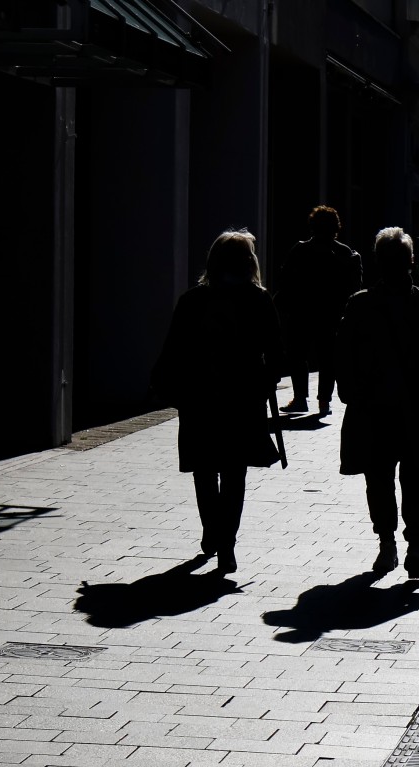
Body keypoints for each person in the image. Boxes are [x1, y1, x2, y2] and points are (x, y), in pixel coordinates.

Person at [152, 229, 286, 573]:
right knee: (234, 472)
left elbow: (173, 350)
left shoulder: (193, 299)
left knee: (204, 468)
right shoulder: (258, 299)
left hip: (200, 398)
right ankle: (227, 542)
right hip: (242, 401)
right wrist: (265, 380)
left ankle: (212, 531)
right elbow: (276, 352)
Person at [336, 227, 419, 579]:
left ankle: (396, 545)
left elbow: (343, 358)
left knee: (385, 481)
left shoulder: (363, 303)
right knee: (409, 482)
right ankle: (409, 547)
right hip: (407, 407)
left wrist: (348, 391)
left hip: (388, 408)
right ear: (411, 261)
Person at [275, 205, 363, 415]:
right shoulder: (346, 253)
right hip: (331, 315)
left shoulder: (300, 250)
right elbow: (354, 288)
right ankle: (324, 402)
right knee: (327, 360)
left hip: (302, 313)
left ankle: (300, 398)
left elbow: (286, 281)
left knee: (298, 355)